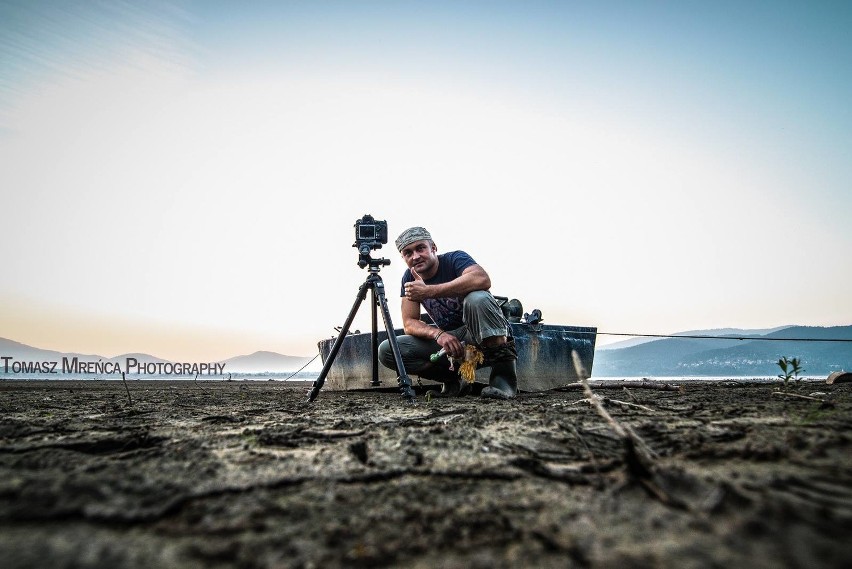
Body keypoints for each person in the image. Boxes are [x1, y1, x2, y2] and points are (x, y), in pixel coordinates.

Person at [377, 226, 518, 399]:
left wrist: (430, 291)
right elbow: (409, 322)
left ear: (433, 248)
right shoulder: (409, 277)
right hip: (453, 341)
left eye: (421, 248)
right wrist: (439, 335)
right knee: (388, 349)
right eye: (408, 253)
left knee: (477, 299)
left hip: (481, 333)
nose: (415, 256)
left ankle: (503, 381)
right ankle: (454, 381)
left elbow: (482, 279)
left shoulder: (455, 259)